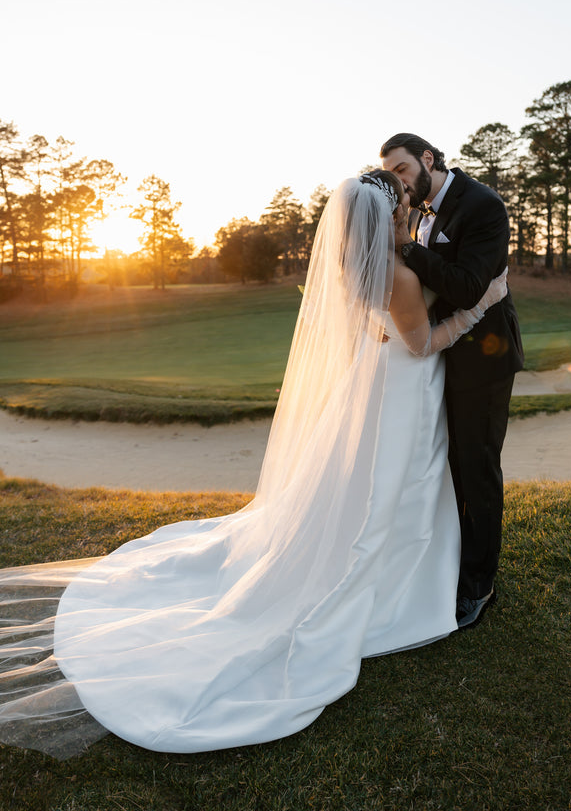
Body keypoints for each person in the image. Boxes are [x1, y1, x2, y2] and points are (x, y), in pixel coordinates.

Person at [0, 172, 508, 759]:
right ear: (382, 219)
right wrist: (481, 308)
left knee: (377, 490)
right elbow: (421, 344)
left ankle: (410, 571)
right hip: (403, 384)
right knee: (393, 491)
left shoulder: (357, 266)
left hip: (378, 385)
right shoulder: (394, 272)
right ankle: (401, 586)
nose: (408, 218)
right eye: (399, 213)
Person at [380, 134, 524, 629]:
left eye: (401, 170)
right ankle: (447, 559)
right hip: (441, 356)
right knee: (445, 464)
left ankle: (478, 586)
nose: (398, 181)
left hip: (483, 357)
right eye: (392, 174)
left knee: (476, 466)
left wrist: (406, 249)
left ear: (427, 159)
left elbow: (465, 287)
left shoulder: (483, 205)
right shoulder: (418, 211)